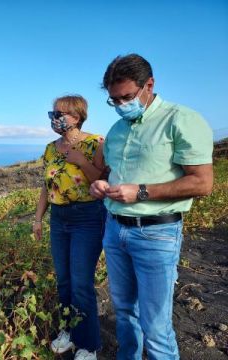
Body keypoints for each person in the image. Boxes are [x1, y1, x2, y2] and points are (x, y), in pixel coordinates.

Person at [90, 54, 213, 359]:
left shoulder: (181, 119)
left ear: (149, 85)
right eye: (114, 100)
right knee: (124, 312)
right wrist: (100, 187)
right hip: (115, 229)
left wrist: (141, 192)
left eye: (127, 97)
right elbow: (113, 175)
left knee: (155, 325)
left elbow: (202, 183)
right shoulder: (117, 131)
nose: (120, 106)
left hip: (157, 234)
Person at [33, 95, 106, 360]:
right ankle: (68, 331)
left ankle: (89, 344)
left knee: (81, 283)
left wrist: (81, 161)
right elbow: (46, 185)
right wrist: (38, 218)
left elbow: (103, 180)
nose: (54, 118)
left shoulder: (95, 143)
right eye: (52, 113)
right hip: (58, 217)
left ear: (77, 116)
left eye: (60, 113)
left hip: (87, 216)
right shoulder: (50, 148)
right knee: (64, 280)